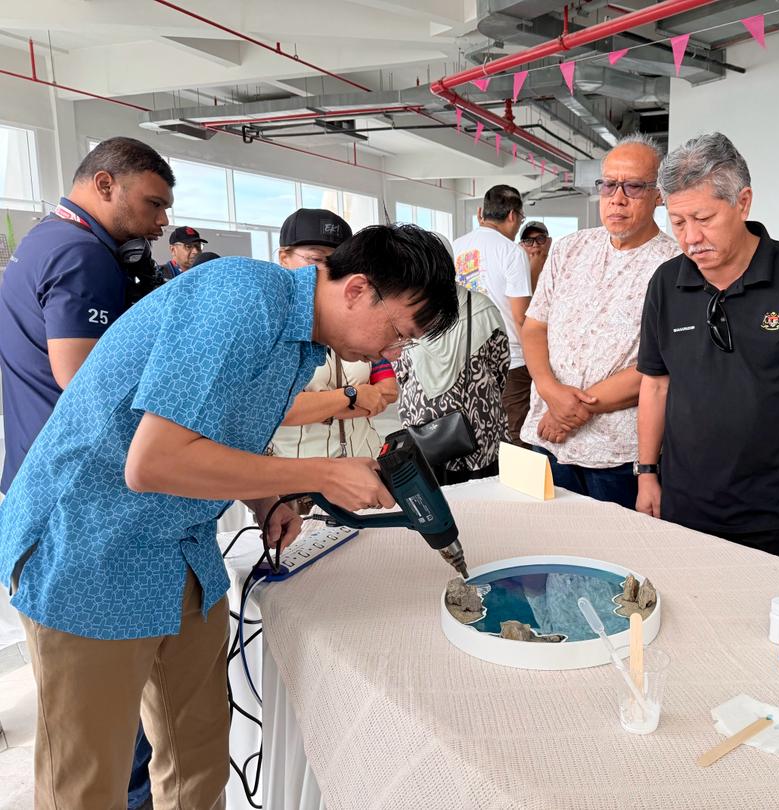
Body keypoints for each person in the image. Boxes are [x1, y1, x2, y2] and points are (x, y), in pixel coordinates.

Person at [0, 224, 457, 809]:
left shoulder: (299, 342)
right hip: (90, 551)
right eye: (397, 333)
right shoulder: (240, 299)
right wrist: (316, 474)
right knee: (86, 785)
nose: (392, 354)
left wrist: (264, 498)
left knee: (197, 765)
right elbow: (153, 462)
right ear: (357, 289)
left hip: (179, 551)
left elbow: (219, 430)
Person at [0, 136, 174, 809]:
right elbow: (85, 382)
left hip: (35, 487)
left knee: (78, 712)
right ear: (105, 184)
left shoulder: (42, 241)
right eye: (153, 202)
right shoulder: (84, 256)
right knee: (103, 706)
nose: (161, 222)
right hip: (77, 506)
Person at [637, 131, 779, 558]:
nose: (691, 237)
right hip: (684, 502)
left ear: (743, 202)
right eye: (678, 223)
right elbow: (656, 385)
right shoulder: (666, 283)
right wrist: (646, 474)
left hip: (773, 507)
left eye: (703, 218)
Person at [520, 134, 681, 508]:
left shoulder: (676, 265)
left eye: (634, 187)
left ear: (659, 194)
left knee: (615, 556)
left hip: (619, 452)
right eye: (609, 184)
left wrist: (574, 411)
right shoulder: (569, 249)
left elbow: (660, 366)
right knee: (548, 545)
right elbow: (535, 327)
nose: (617, 198)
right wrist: (549, 391)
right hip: (549, 437)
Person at [269, 209, 397, 476]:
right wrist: (351, 397)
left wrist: (320, 407)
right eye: (316, 258)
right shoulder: (272, 327)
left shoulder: (353, 321)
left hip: (363, 462)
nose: (327, 271)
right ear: (284, 257)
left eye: (339, 263)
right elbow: (275, 409)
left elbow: (387, 390)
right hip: (299, 477)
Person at [396, 234, 511, 484]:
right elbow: (500, 367)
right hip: (479, 425)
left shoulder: (402, 312)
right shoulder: (481, 307)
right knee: (484, 502)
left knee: (436, 502)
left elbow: (401, 371)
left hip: (423, 430)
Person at [452, 185, 533, 446]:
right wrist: (537, 364)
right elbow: (521, 317)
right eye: (521, 219)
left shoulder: (455, 247)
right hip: (510, 360)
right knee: (514, 434)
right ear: (512, 215)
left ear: (480, 213)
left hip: (464, 358)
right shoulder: (512, 252)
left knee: (475, 433)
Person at [520, 220, 551, 291]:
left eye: (540, 239)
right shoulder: (516, 270)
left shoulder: (560, 266)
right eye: (528, 241)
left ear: (549, 241)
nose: (535, 245)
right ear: (521, 246)